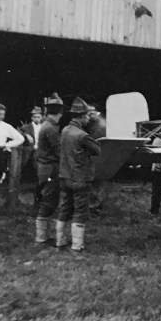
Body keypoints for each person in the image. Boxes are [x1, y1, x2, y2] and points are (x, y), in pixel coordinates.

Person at [54, 97, 102, 251]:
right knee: (80, 211)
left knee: (64, 208)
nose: (89, 118)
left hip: (64, 176)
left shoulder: (65, 130)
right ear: (81, 117)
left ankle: (59, 241)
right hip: (80, 177)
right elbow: (98, 150)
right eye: (87, 116)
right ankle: (77, 245)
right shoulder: (82, 135)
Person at [34, 94, 63, 244]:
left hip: (45, 167)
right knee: (49, 200)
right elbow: (58, 151)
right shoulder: (51, 128)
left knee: (48, 199)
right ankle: (40, 237)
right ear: (60, 112)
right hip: (51, 168)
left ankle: (42, 236)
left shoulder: (48, 125)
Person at [0, 103, 24, 212]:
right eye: (0, 114)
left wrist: (7, 145)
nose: (2, 116)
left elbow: (20, 138)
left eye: (3, 114)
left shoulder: (6, 127)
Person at [19, 106, 44, 186]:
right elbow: (17, 132)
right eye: (34, 117)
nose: (36, 119)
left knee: (39, 169)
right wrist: (26, 135)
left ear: (41, 117)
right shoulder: (26, 127)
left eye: (38, 117)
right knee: (22, 168)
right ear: (32, 118)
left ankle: (38, 186)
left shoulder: (44, 127)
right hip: (28, 150)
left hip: (39, 150)